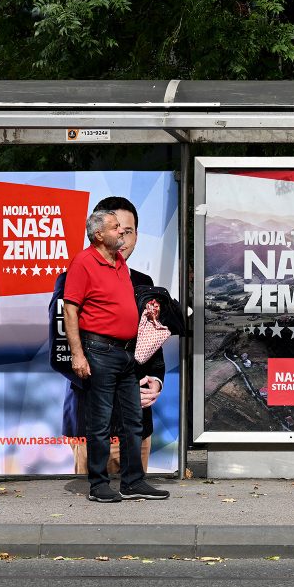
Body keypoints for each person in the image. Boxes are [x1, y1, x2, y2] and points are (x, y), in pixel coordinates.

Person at [64, 209, 169, 503]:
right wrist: (78, 355)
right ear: (99, 235)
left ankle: (133, 482)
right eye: (115, 228)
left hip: (126, 354)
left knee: (133, 421)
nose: (121, 232)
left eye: (124, 229)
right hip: (98, 351)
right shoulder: (83, 262)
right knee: (99, 423)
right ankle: (98, 486)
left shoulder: (119, 260)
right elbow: (70, 309)